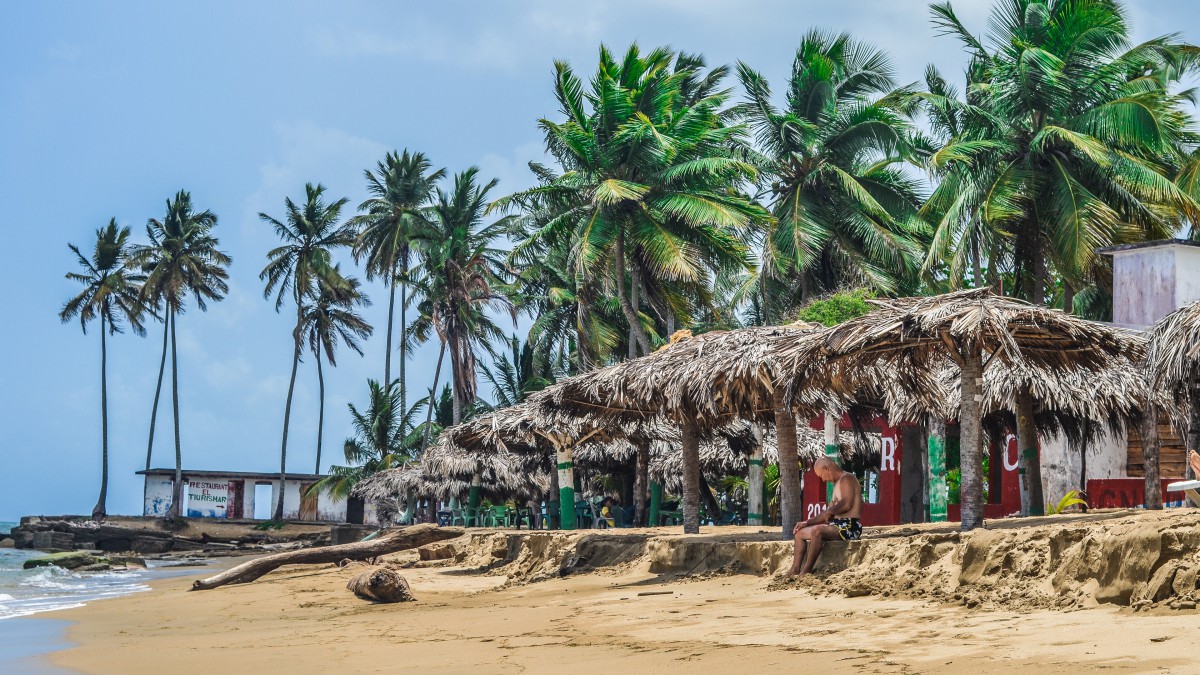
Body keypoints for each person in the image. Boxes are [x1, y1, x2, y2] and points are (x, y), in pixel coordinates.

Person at [785, 457, 863, 579]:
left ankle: (806, 571)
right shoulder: (837, 484)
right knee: (799, 533)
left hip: (850, 526)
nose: (823, 479)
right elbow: (826, 513)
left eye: (822, 475)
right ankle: (795, 569)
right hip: (837, 525)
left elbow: (847, 504)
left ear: (827, 469)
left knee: (817, 530)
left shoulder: (847, 478)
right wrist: (806, 522)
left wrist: (830, 511)